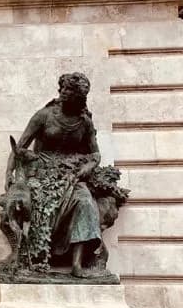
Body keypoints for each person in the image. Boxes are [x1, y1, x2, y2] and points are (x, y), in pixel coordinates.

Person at [11, 72, 120, 277]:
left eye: (68, 91)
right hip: (43, 174)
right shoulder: (44, 115)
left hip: (73, 175)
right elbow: (19, 147)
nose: (63, 93)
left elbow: (95, 153)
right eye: (63, 89)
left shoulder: (84, 122)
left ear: (79, 98)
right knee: (41, 205)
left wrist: (88, 166)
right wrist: (13, 177)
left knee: (86, 203)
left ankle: (76, 265)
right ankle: (36, 254)